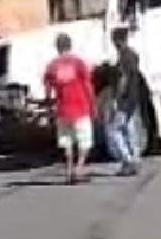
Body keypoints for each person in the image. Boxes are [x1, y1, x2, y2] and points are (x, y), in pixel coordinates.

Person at [43, 32, 95, 184]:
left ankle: (68, 170)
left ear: (58, 47)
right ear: (70, 45)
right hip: (81, 106)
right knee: (84, 140)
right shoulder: (78, 63)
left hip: (63, 108)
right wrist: (92, 104)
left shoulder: (52, 65)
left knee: (66, 140)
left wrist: (48, 106)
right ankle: (79, 168)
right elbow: (87, 85)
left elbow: (47, 87)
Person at [106, 26, 144, 176]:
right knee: (129, 128)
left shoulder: (124, 56)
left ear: (118, 40)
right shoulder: (133, 55)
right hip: (134, 97)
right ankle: (135, 158)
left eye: (114, 40)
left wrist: (117, 98)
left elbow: (124, 78)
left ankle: (127, 160)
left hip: (125, 99)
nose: (113, 43)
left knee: (114, 130)